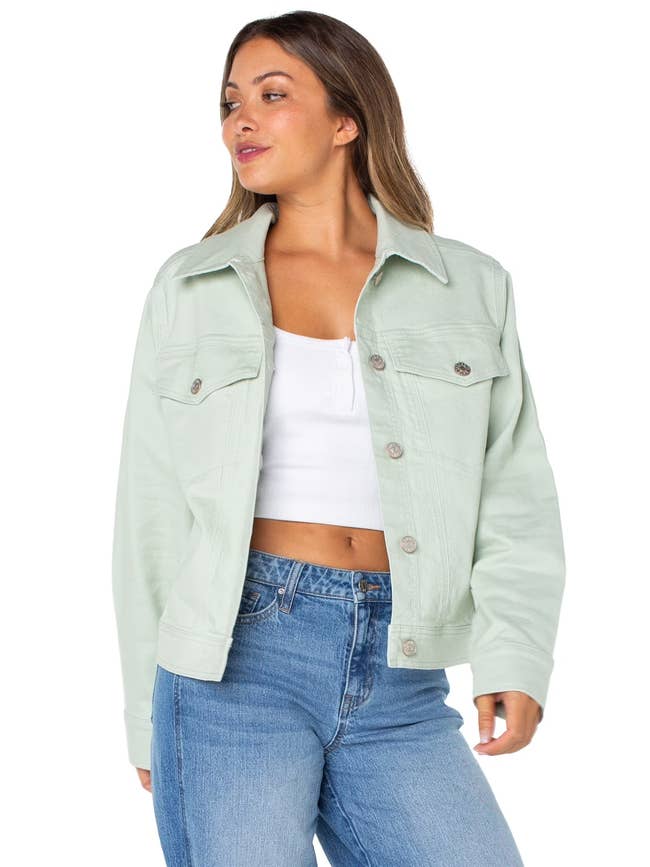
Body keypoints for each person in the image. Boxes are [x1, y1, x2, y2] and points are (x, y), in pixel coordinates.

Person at [111, 10, 566, 866]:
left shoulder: (467, 284)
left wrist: (514, 652)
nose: (240, 121)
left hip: (404, 664)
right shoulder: (192, 285)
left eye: (272, 95)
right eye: (230, 102)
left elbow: (514, 491)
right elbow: (152, 509)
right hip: (233, 665)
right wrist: (146, 712)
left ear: (346, 120)